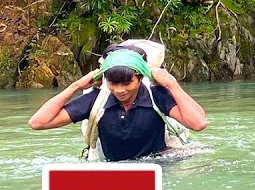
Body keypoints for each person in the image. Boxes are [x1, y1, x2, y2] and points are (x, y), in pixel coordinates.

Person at [28, 43, 208, 160]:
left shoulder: (156, 96)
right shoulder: (96, 100)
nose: (120, 90)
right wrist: (75, 86)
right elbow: (37, 123)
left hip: (161, 168)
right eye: (113, 83)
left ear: (139, 78)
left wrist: (172, 84)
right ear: (104, 79)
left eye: (127, 82)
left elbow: (198, 123)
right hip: (114, 171)